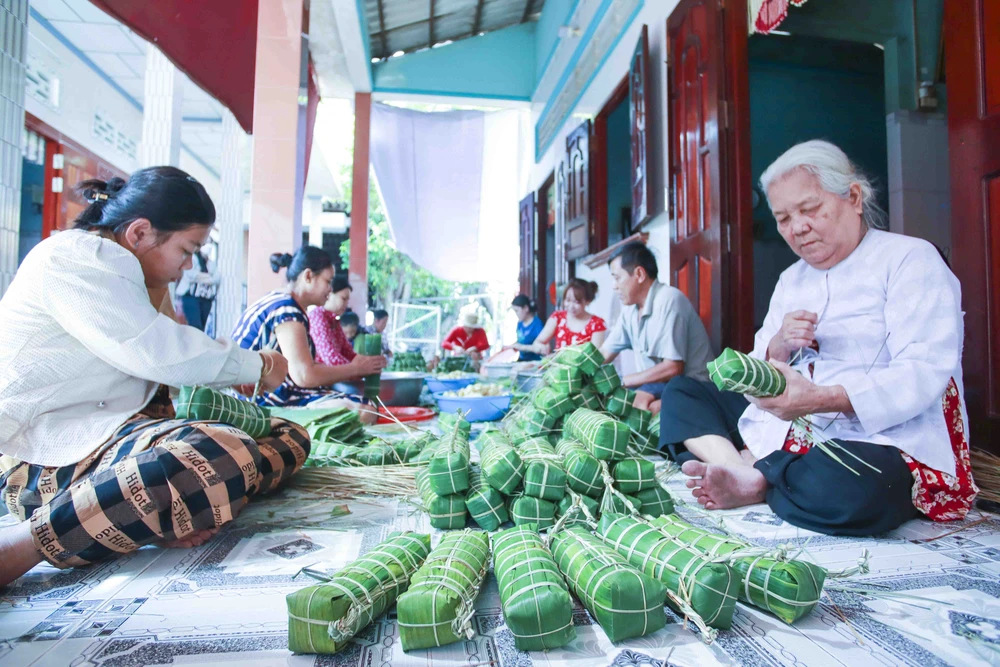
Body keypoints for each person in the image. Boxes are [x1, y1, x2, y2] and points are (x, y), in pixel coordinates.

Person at [0, 167, 306, 587]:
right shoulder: (77, 258)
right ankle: (29, 542)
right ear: (140, 233)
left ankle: (150, 510)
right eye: (186, 249)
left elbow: (165, 370)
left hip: (109, 446)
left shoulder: (135, 275)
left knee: (288, 434)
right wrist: (259, 366)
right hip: (45, 461)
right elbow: (159, 353)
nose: (186, 267)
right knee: (221, 452)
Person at [660, 140, 977, 536]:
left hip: (876, 436)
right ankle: (746, 470)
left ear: (854, 198)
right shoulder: (791, 280)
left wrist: (823, 398)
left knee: (851, 489)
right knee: (682, 393)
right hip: (787, 423)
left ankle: (758, 476)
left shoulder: (910, 260)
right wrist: (777, 345)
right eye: (783, 218)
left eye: (809, 210)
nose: (797, 228)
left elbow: (922, 371)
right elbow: (758, 366)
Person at [231, 247, 386, 417]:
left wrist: (359, 365)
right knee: (364, 410)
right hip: (259, 401)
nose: (330, 289)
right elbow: (304, 375)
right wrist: (355, 369)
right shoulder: (287, 310)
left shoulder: (279, 301)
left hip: (267, 395)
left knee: (361, 405)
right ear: (308, 276)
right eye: (328, 282)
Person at [600, 242, 715, 411]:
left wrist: (622, 380)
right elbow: (603, 353)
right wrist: (573, 370)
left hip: (693, 387)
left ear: (639, 274)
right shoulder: (629, 311)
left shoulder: (670, 300)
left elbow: (673, 368)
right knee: (611, 401)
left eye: (617, 278)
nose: (614, 285)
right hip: (658, 385)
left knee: (640, 407)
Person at [515, 281, 607, 357]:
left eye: (576, 302)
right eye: (568, 300)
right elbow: (538, 342)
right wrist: (541, 347)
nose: (571, 306)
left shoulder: (597, 323)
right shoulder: (558, 317)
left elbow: (596, 356)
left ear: (587, 301)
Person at [308, 277, 356, 366]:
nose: (346, 304)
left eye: (347, 300)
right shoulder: (317, 316)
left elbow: (348, 353)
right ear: (329, 295)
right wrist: (357, 370)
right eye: (343, 298)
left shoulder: (334, 320)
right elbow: (330, 358)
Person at [175, 243, 220, 332]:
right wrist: (208, 277)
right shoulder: (193, 259)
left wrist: (203, 278)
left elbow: (216, 278)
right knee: (194, 326)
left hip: (205, 298)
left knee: (201, 328)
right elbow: (191, 275)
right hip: (190, 296)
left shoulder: (210, 263)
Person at [509, 295, 544, 361]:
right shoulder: (519, 324)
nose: (516, 314)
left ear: (526, 308)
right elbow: (522, 340)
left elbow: (542, 348)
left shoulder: (537, 324)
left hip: (535, 361)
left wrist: (522, 347)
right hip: (522, 359)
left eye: (517, 311)